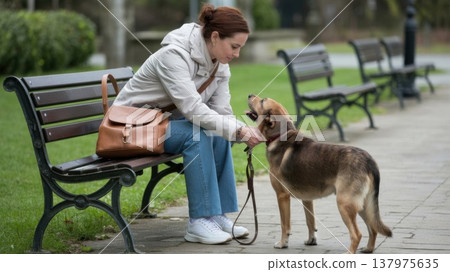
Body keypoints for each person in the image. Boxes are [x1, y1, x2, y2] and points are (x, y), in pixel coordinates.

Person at [113, 3, 264, 245]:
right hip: (131, 129)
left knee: (218, 132)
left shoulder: (220, 65)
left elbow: (221, 113)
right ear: (215, 36)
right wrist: (238, 129)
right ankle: (199, 222)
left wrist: (240, 130)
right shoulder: (173, 56)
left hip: (164, 126)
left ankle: (216, 215)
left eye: (240, 48)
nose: (236, 54)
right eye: (234, 46)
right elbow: (193, 110)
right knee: (198, 134)